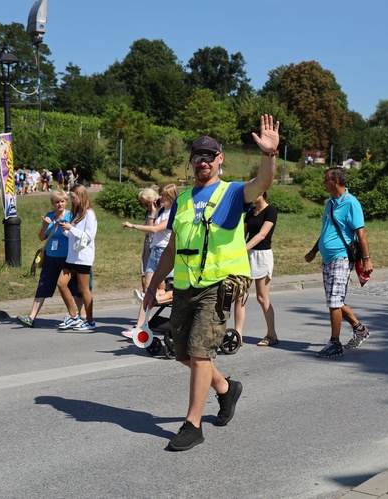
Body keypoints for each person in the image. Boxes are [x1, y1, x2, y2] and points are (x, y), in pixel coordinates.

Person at [143, 115, 280, 451]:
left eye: (209, 156)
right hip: (185, 286)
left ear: (220, 159)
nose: (202, 161)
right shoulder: (184, 200)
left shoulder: (232, 193)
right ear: (191, 162)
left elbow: (262, 183)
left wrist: (269, 155)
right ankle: (225, 389)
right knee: (182, 353)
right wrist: (153, 286)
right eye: (197, 156)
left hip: (219, 285)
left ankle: (192, 424)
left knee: (201, 354)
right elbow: (173, 246)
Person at [304, 167, 373, 358]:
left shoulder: (351, 203)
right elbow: (326, 231)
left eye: (326, 179)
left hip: (341, 257)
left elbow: (361, 233)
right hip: (328, 259)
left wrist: (367, 259)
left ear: (335, 181)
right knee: (335, 300)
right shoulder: (331, 203)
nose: (323, 182)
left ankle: (335, 343)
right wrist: (313, 251)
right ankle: (360, 329)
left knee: (334, 301)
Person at [16, 191, 87, 328]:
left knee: (73, 287)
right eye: (56, 202)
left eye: (62, 201)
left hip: (67, 258)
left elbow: (77, 236)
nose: (59, 204)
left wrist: (67, 228)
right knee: (43, 285)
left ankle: (82, 316)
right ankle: (31, 317)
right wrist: (45, 225)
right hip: (50, 257)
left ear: (66, 202)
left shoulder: (71, 216)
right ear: (52, 203)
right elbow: (42, 237)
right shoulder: (48, 216)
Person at [121, 184, 177, 338]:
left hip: (166, 252)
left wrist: (131, 225)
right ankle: (139, 328)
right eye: (159, 195)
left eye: (163, 196)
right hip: (154, 251)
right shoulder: (160, 211)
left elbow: (154, 230)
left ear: (170, 197)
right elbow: (150, 226)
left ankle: (157, 298)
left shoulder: (173, 213)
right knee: (148, 291)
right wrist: (153, 210)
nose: (160, 198)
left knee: (168, 290)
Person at [233, 191, 279, 347]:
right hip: (247, 255)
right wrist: (236, 250)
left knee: (262, 297)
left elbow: (262, 234)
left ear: (263, 192)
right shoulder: (250, 212)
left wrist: (242, 249)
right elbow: (243, 234)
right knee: (240, 296)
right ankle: (237, 335)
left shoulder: (271, 211)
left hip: (262, 256)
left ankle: (272, 334)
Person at [55, 185, 97, 331]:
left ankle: (90, 321)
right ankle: (73, 316)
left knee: (83, 288)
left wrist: (71, 228)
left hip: (83, 257)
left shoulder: (90, 214)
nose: (72, 200)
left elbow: (88, 236)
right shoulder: (77, 213)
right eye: (71, 197)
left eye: (73, 197)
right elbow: (73, 235)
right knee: (61, 283)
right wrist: (65, 229)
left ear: (81, 195)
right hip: (72, 256)